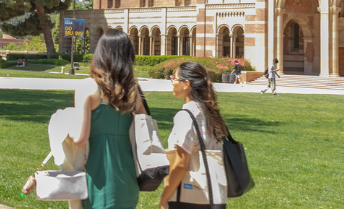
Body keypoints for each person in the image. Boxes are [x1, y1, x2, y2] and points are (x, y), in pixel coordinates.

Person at [71, 28, 142, 209]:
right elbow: (144, 132)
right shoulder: (134, 92)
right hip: (128, 180)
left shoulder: (88, 87)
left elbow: (80, 139)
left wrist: (63, 128)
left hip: (99, 179)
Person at [159, 62, 229, 209]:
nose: (172, 82)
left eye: (175, 78)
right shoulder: (210, 113)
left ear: (186, 84)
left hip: (190, 195)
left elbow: (181, 163)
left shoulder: (186, 116)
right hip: (214, 192)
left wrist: (165, 196)